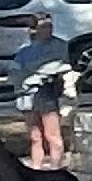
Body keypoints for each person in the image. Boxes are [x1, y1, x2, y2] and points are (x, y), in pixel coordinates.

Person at [14, 14, 68, 173]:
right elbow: (16, 71)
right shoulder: (24, 50)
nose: (48, 30)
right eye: (43, 26)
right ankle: (36, 168)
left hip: (46, 92)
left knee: (52, 134)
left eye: (49, 26)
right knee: (35, 135)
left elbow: (60, 66)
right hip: (27, 94)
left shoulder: (59, 45)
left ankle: (56, 167)